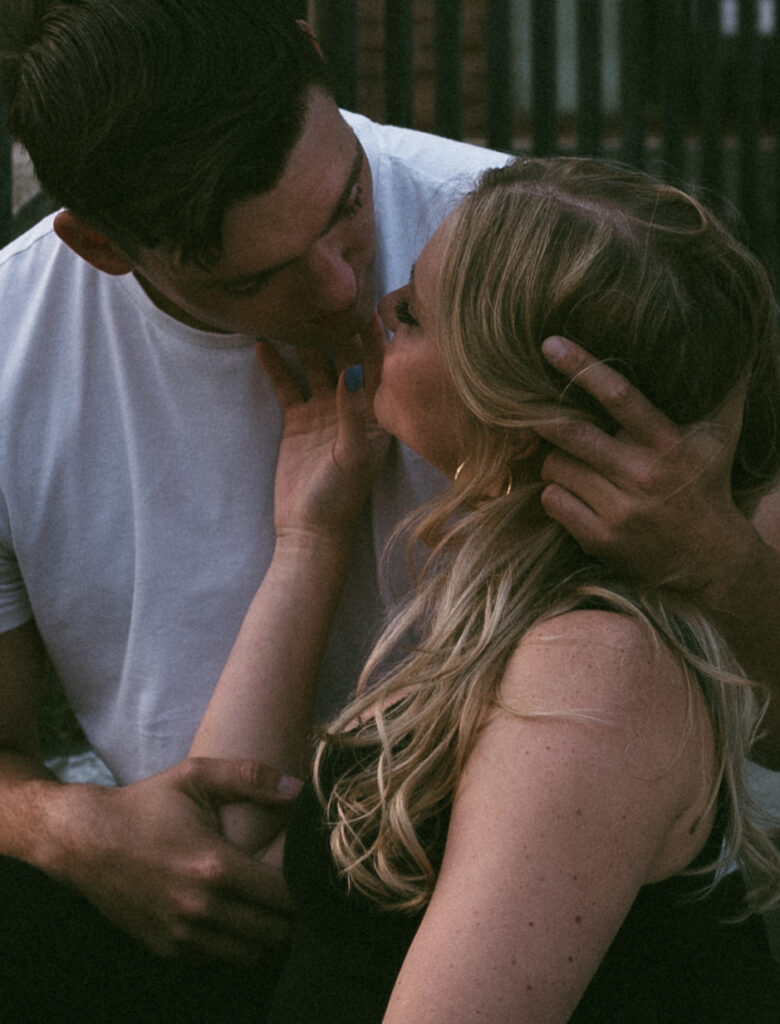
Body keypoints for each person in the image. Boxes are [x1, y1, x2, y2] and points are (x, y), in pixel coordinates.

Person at [0, 0, 778, 1018]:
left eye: (348, 208)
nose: (344, 293)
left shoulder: (525, 252)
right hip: (277, 896)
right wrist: (63, 827)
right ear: (102, 247)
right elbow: (234, 818)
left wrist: (714, 556)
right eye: (260, 276)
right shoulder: (17, 344)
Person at [192, 157, 780, 1023]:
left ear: (513, 409)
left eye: (420, 315)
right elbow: (229, 831)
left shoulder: (596, 668)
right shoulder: (509, 610)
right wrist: (308, 539)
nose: (382, 306)